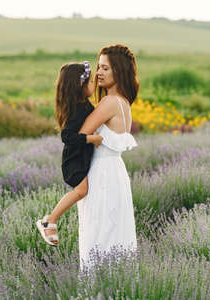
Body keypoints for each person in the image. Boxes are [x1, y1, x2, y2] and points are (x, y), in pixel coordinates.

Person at [76, 44, 139, 272]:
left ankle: (93, 292)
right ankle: (118, 287)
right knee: (115, 234)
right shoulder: (124, 102)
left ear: (119, 72)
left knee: (96, 235)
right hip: (116, 173)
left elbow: (80, 135)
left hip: (101, 175)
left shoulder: (109, 102)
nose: (99, 73)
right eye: (98, 67)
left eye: (105, 68)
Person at [36, 61, 103, 246]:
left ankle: (50, 220)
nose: (93, 85)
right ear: (79, 86)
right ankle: (50, 220)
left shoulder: (82, 104)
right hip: (74, 162)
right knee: (81, 191)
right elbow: (67, 136)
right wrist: (91, 139)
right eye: (90, 83)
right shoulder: (77, 110)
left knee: (83, 191)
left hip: (80, 159)